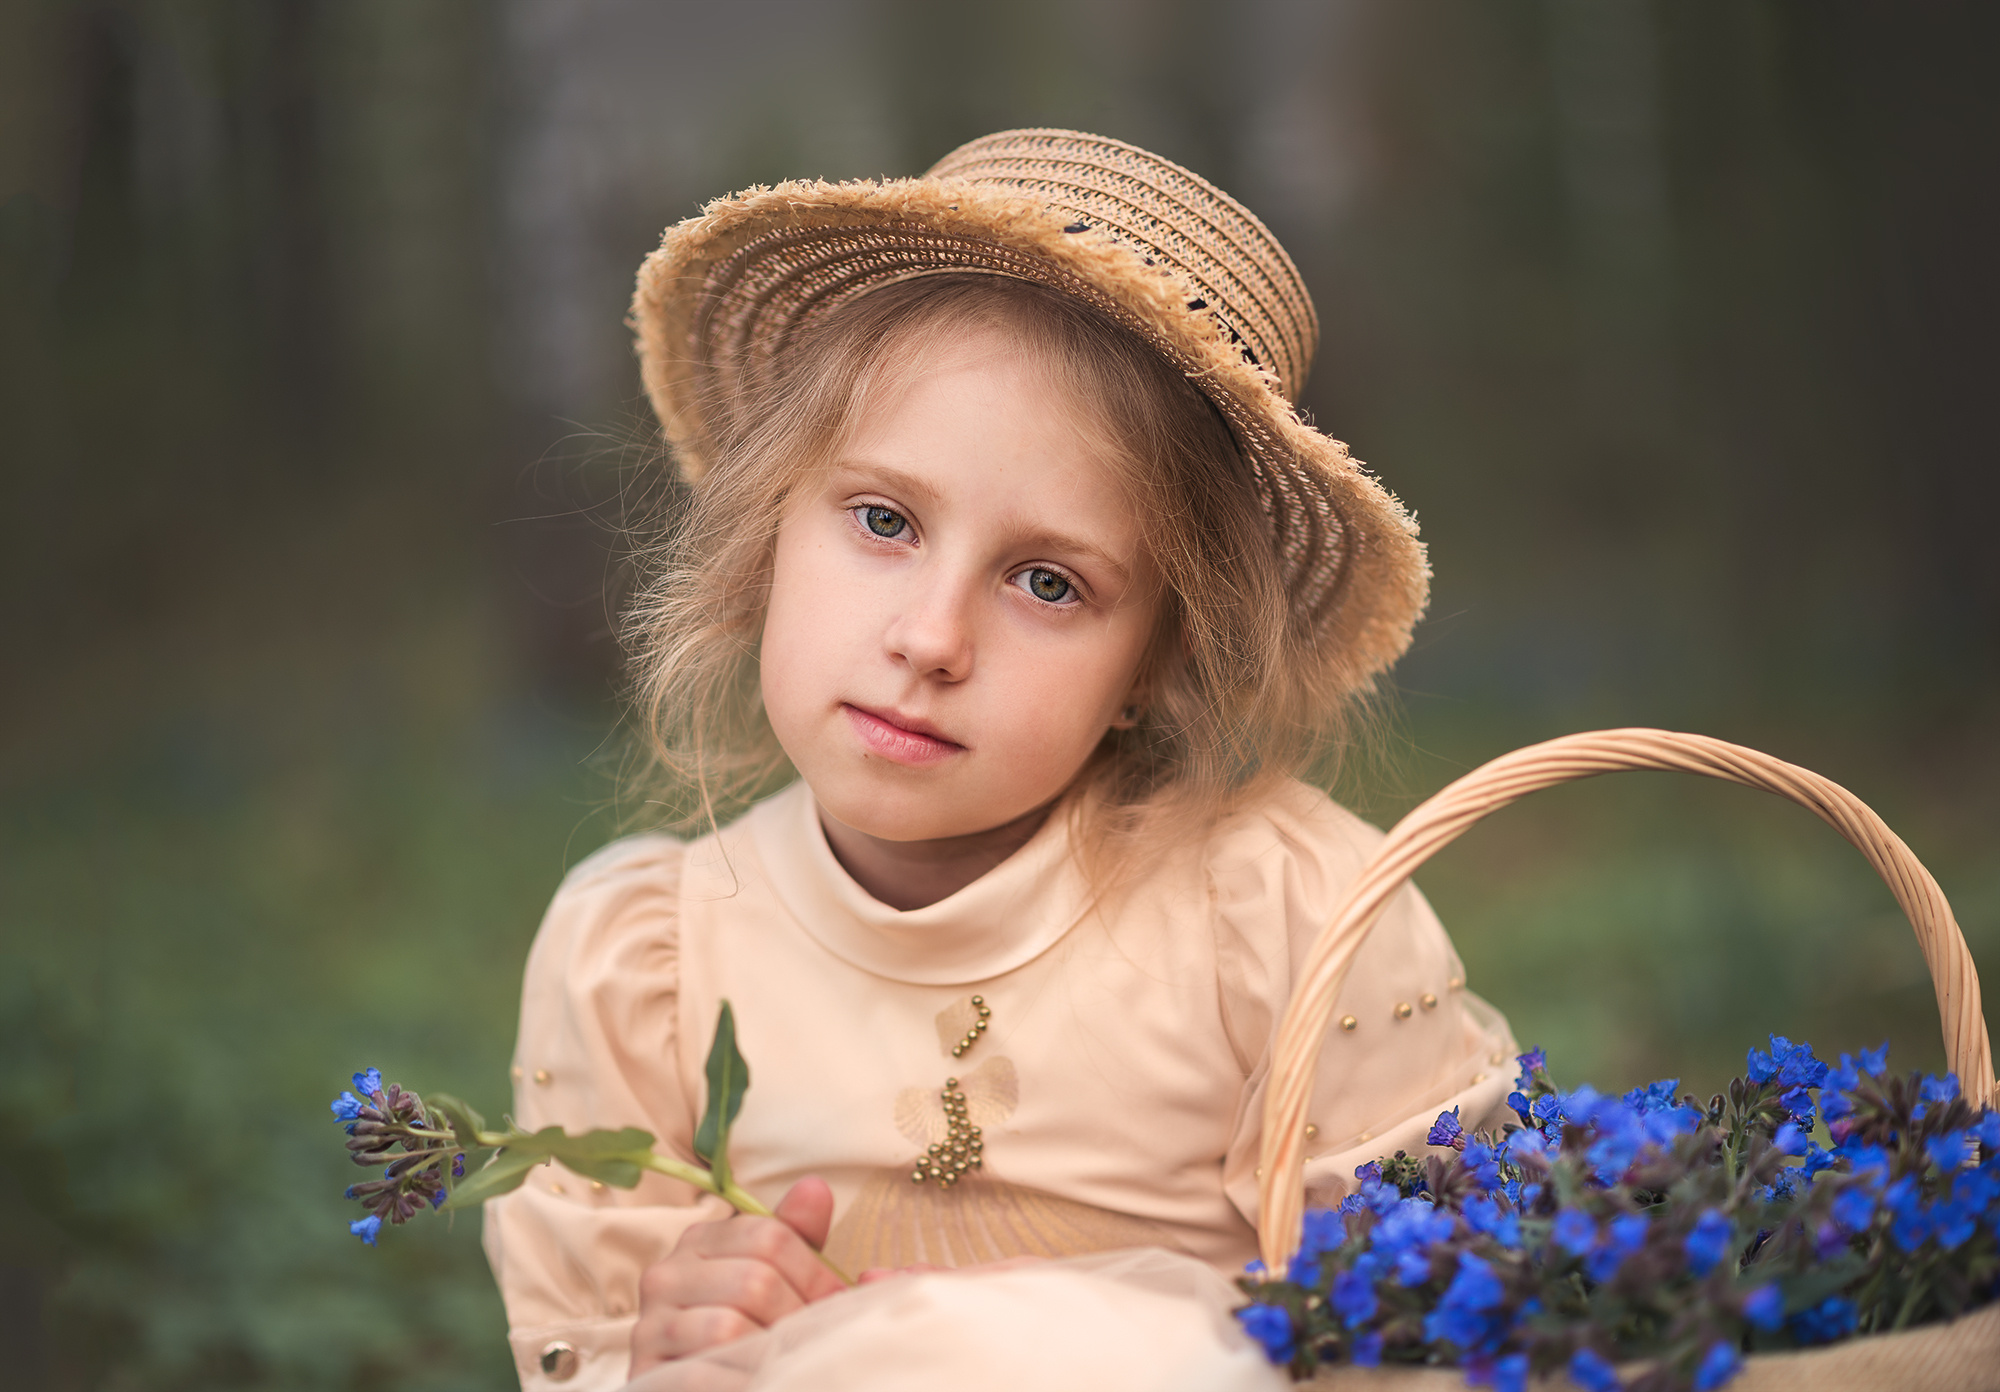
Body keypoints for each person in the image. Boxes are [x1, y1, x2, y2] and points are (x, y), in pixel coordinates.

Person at [482, 129, 1517, 1392]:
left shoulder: (1285, 916)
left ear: (1153, 662)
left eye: (1047, 582)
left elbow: (1434, 1322)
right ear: (769, 532)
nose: (929, 638)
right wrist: (662, 1348)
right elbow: (579, 1353)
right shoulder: (645, 959)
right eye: (882, 520)